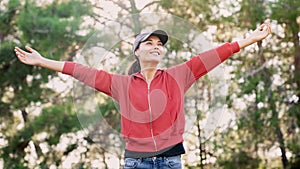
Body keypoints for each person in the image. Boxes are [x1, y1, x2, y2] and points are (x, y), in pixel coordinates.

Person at [14, 20, 271, 169]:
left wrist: (249, 40)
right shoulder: (121, 84)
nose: (156, 47)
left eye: (159, 44)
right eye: (149, 43)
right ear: (137, 51)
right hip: (137, 163)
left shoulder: (178, 76)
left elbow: (212, 56)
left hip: (171, 161)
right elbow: (82, 71)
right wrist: (42, 61)